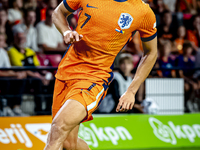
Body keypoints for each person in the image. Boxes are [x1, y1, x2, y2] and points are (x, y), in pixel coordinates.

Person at [45, 0, 158, 150]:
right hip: (66, 71)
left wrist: (131, 91)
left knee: (58, 127)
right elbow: (58, 13)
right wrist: (66, 31)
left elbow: (151, 52)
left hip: (95, 77)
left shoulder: (143, 12)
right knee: (67, 143)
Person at [0, 33, 27, 116]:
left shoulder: (3, 52)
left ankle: (16, 108)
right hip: (2, 78)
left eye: (1, 40)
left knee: (19, 80)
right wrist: (14, 74)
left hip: (3, 76)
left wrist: (18, 74)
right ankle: (6, 108)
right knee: (6, 82)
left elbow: (8, 69)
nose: (1, 42)